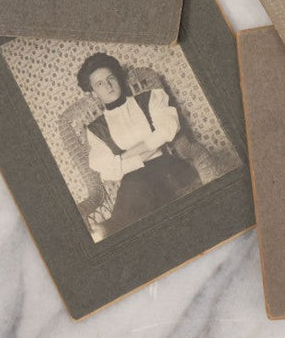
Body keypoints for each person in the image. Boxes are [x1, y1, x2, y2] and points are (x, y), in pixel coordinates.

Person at [79, 53, 200, 234]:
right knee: (136, 184)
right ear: (93, 93)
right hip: (133, 182)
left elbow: (167, 130)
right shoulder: (96, 130)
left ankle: (112, 227)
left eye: (110, 78)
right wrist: (150, 147)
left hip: (167, 168)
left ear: (119, 79)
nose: (108, 85)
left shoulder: (149, 99)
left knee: (137, 185)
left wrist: (124, 157)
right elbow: (108, 171)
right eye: (99, 84)